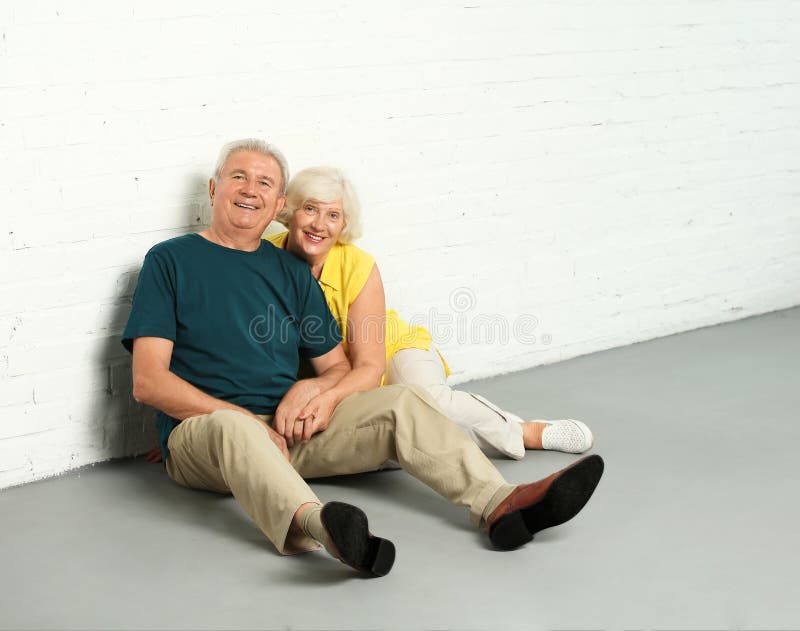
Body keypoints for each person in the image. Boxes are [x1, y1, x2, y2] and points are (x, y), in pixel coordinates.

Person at [123, 138, 604, 577]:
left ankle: (500, 503)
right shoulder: (170, 261)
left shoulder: (290, 271)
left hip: (289, 435)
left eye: (264, 183)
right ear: (213, 188)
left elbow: (337, 367)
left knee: (402, 401)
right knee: (235, 427)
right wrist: (246, 422)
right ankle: (319, 526)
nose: (251, 190)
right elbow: (149, 382)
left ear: (277, 205)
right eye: (238, 177)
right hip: (206, 438)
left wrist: (308, 390)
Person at [265, 166, 594, 460]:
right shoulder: (266, 258)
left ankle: (525, 431)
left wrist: (330, 397)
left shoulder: (358, 266)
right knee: (397, 431)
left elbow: (369, 365)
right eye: (310, 209)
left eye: (333, 215)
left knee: (428, 404)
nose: (320, 225)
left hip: (389, 351)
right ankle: (495, 426)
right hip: (331, 372)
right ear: (292, 210)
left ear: (344, 224)